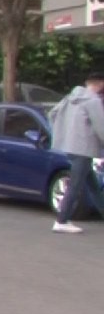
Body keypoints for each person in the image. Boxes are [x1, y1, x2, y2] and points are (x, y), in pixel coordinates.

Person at [49, 72, 104, 233]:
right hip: (84, 148)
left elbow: (52, 114)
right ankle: (61, 220)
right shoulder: (93, 101)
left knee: (91, 183)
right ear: (100, 83)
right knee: (75, 184)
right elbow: (101, 127)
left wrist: (63, 133)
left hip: (70, 146)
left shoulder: (70, 98)